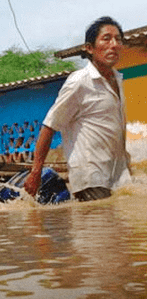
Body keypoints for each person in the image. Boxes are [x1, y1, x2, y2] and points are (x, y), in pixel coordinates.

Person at [24, 16, 131, 202]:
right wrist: (35, 172)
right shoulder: (79, 82)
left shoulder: (118, 80)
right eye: (106, 38)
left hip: (117, 177)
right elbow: (49, 126)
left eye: (118, 39)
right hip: (91, 178)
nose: (113, 44)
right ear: (89, 48)